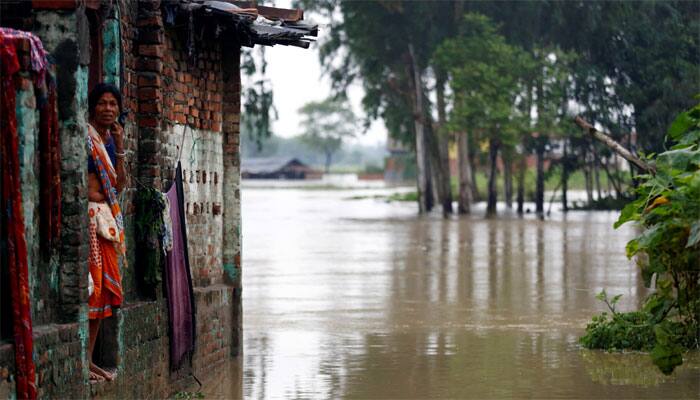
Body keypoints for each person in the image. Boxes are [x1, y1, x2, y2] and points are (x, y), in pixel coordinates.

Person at [86, 83, 127, 382]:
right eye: (103, 103)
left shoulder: (110, 142)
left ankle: (88, 360)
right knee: (92, 290)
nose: (108, 109)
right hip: (89, 220)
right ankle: (84, 360)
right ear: (93, 106)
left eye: (113, 104)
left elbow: (119, 186)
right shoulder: (85, 138)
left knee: (105, 295)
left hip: (106, 223)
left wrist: (122, 148)